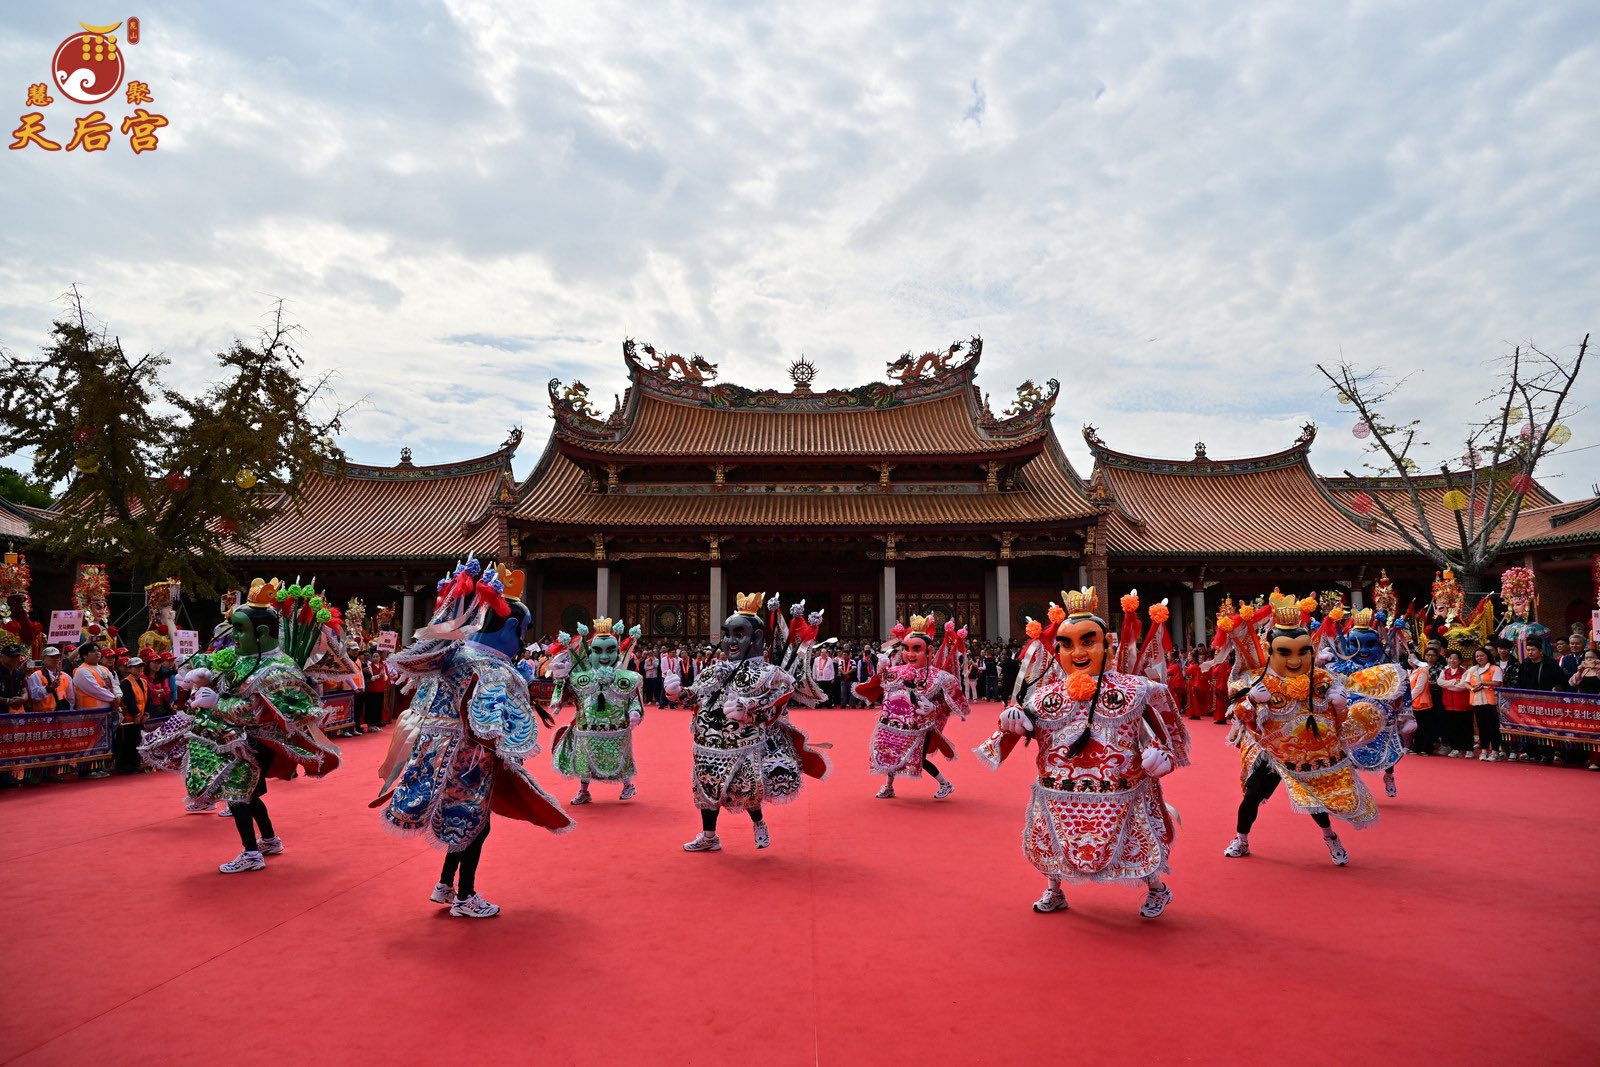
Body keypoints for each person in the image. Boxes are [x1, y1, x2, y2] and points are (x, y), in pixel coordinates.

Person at [377, 561, 573, 917]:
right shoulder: (495, 669)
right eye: (523, 631)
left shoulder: (455, 657)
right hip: (471, 761)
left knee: (462, 820)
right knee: (475, 825)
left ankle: (443, 885)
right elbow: (500, 731)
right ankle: (465, 896)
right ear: (512, 627)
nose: (523, 641)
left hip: (435, 752)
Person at [975, 589, 1188, 917]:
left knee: (1134, 839)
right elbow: (1017, 728)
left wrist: (1163, 757)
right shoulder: (1045, 695)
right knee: (1051, 840)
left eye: (1088, 641)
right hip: (1059, 791)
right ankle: (1055, 890)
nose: (1077, 652)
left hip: (1120, 790)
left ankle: (1157, 888)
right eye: (1067, 644)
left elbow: (1167, 736)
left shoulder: (1137, 690)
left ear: (1108, 645)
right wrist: (1010, 723)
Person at [141, 579, 342, 873]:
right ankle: (270, 840)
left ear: (261, 632)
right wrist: (201, 674)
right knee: (248, 795)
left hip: (255, 743)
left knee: (238, 797)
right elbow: (221, 669)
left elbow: (264, 713)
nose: (233, 635)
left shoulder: (278, 669)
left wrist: (217, 704)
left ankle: (251, 853)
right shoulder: (243, 656)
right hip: (232, 739)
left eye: (239, 629)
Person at [1219, 591, 1381, 867]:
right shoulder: (1259, 680)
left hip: (1310, 755)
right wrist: (1251, 700)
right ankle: (1241, 838)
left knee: (1316, 802)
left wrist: (1340, 705)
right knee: (1252, 797)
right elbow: (1238, 715)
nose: (1294, 659)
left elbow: (1336, 721)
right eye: (1285, 652)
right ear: (1271, 651)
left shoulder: (1322, 679)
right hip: (1270, 750)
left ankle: (1331, 838)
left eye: (1302, 651)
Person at [667, 592, 829, 853]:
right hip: (706, 744)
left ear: (757, 638)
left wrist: (749, 710)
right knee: (706, 789)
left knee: (747, 790)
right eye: (727, 634)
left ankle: (759, 822)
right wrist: (676, 693)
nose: (731, 641)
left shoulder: (771, 675)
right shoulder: (713, 670)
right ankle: (710, 836)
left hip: (745, 745)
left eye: (738, 634)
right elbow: (695, 696)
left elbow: (776, 706)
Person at [856, 613, 968, 800]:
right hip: (894, 723)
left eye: (917, 649)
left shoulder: (938, 676)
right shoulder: (896, 671)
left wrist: (933, 707)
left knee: (919, 757)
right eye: (906, 649)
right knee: (892, 753)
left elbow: (950, 704)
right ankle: (889, 787)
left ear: (929, 651)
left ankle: (945, 783)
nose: (910, 654)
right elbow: (882, 688)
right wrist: (881, 669)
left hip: (921, 726)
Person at [550, 618, 644, 805]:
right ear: (589, 653)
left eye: (610, 650)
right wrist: (558, 687)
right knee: (584, 759)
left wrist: (635, 712)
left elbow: (634, 699)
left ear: (618, 652)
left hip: (617, 728)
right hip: (587, 727)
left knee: (620, 757)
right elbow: (567, 694)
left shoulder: (629, 678)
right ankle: (584, 791)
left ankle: (628, 785)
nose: (604, 656)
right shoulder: (580, 678)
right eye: (597, 650)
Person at [1465, 647, 1503, 761]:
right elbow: (1466, 683)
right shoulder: (1472, 669)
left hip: (1490, 701)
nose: (1479, 658)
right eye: (1477, 656)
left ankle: (1495, 751)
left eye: (1482, 655)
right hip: (1477, 700)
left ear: (1487, 656)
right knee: (1482, 727)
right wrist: (1472, 688)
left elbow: (1498, 682)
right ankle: (1484, 749)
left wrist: (1482, 682)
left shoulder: (1494, 668)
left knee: (1493, 727)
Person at [115, 656, 150, 774]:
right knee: (127, 742)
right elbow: (129, 700)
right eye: (136, 667)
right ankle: (124, 766)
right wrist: (136, 715)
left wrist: (146, 714)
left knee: (137, 741)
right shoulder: (125, 682)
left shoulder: (144, 681)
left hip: (140, 717)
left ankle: (134, 764)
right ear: (129, 668)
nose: (139, 669)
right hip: (129, 718)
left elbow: (147, 699)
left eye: (141, 667)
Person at [1437, 650, 1473, 757]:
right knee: (1452, 728)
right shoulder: (1444, 671)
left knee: (1465, 727)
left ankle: (1468, 748)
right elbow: (1440, 682)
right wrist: (1454, 682)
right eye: (1450, 658)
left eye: (1455, 658)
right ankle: (1455, 747)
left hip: (1463, 705)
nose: (1452, 660)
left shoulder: (1464, 671)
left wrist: (1448, 685)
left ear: (1459, 660)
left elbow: (1462, 686)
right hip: (1448, 704)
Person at [25, 645, 73, 713]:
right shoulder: (36, 676)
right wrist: (49, 688)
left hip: (63, 715)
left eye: (57, 657)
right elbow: (34, 696)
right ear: (43, 659)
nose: (55, 659)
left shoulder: (66, 676)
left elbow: (71, 699)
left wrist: (69, 713)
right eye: (52, 657)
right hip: (43, 716)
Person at [0, 643, 28, 712]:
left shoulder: (19, 673)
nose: (15, 659)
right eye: (11, 656)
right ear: (2, 657)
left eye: (17, 656)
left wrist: (23, 699)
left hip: (16, 715)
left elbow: (24, 692)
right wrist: (7, 701)